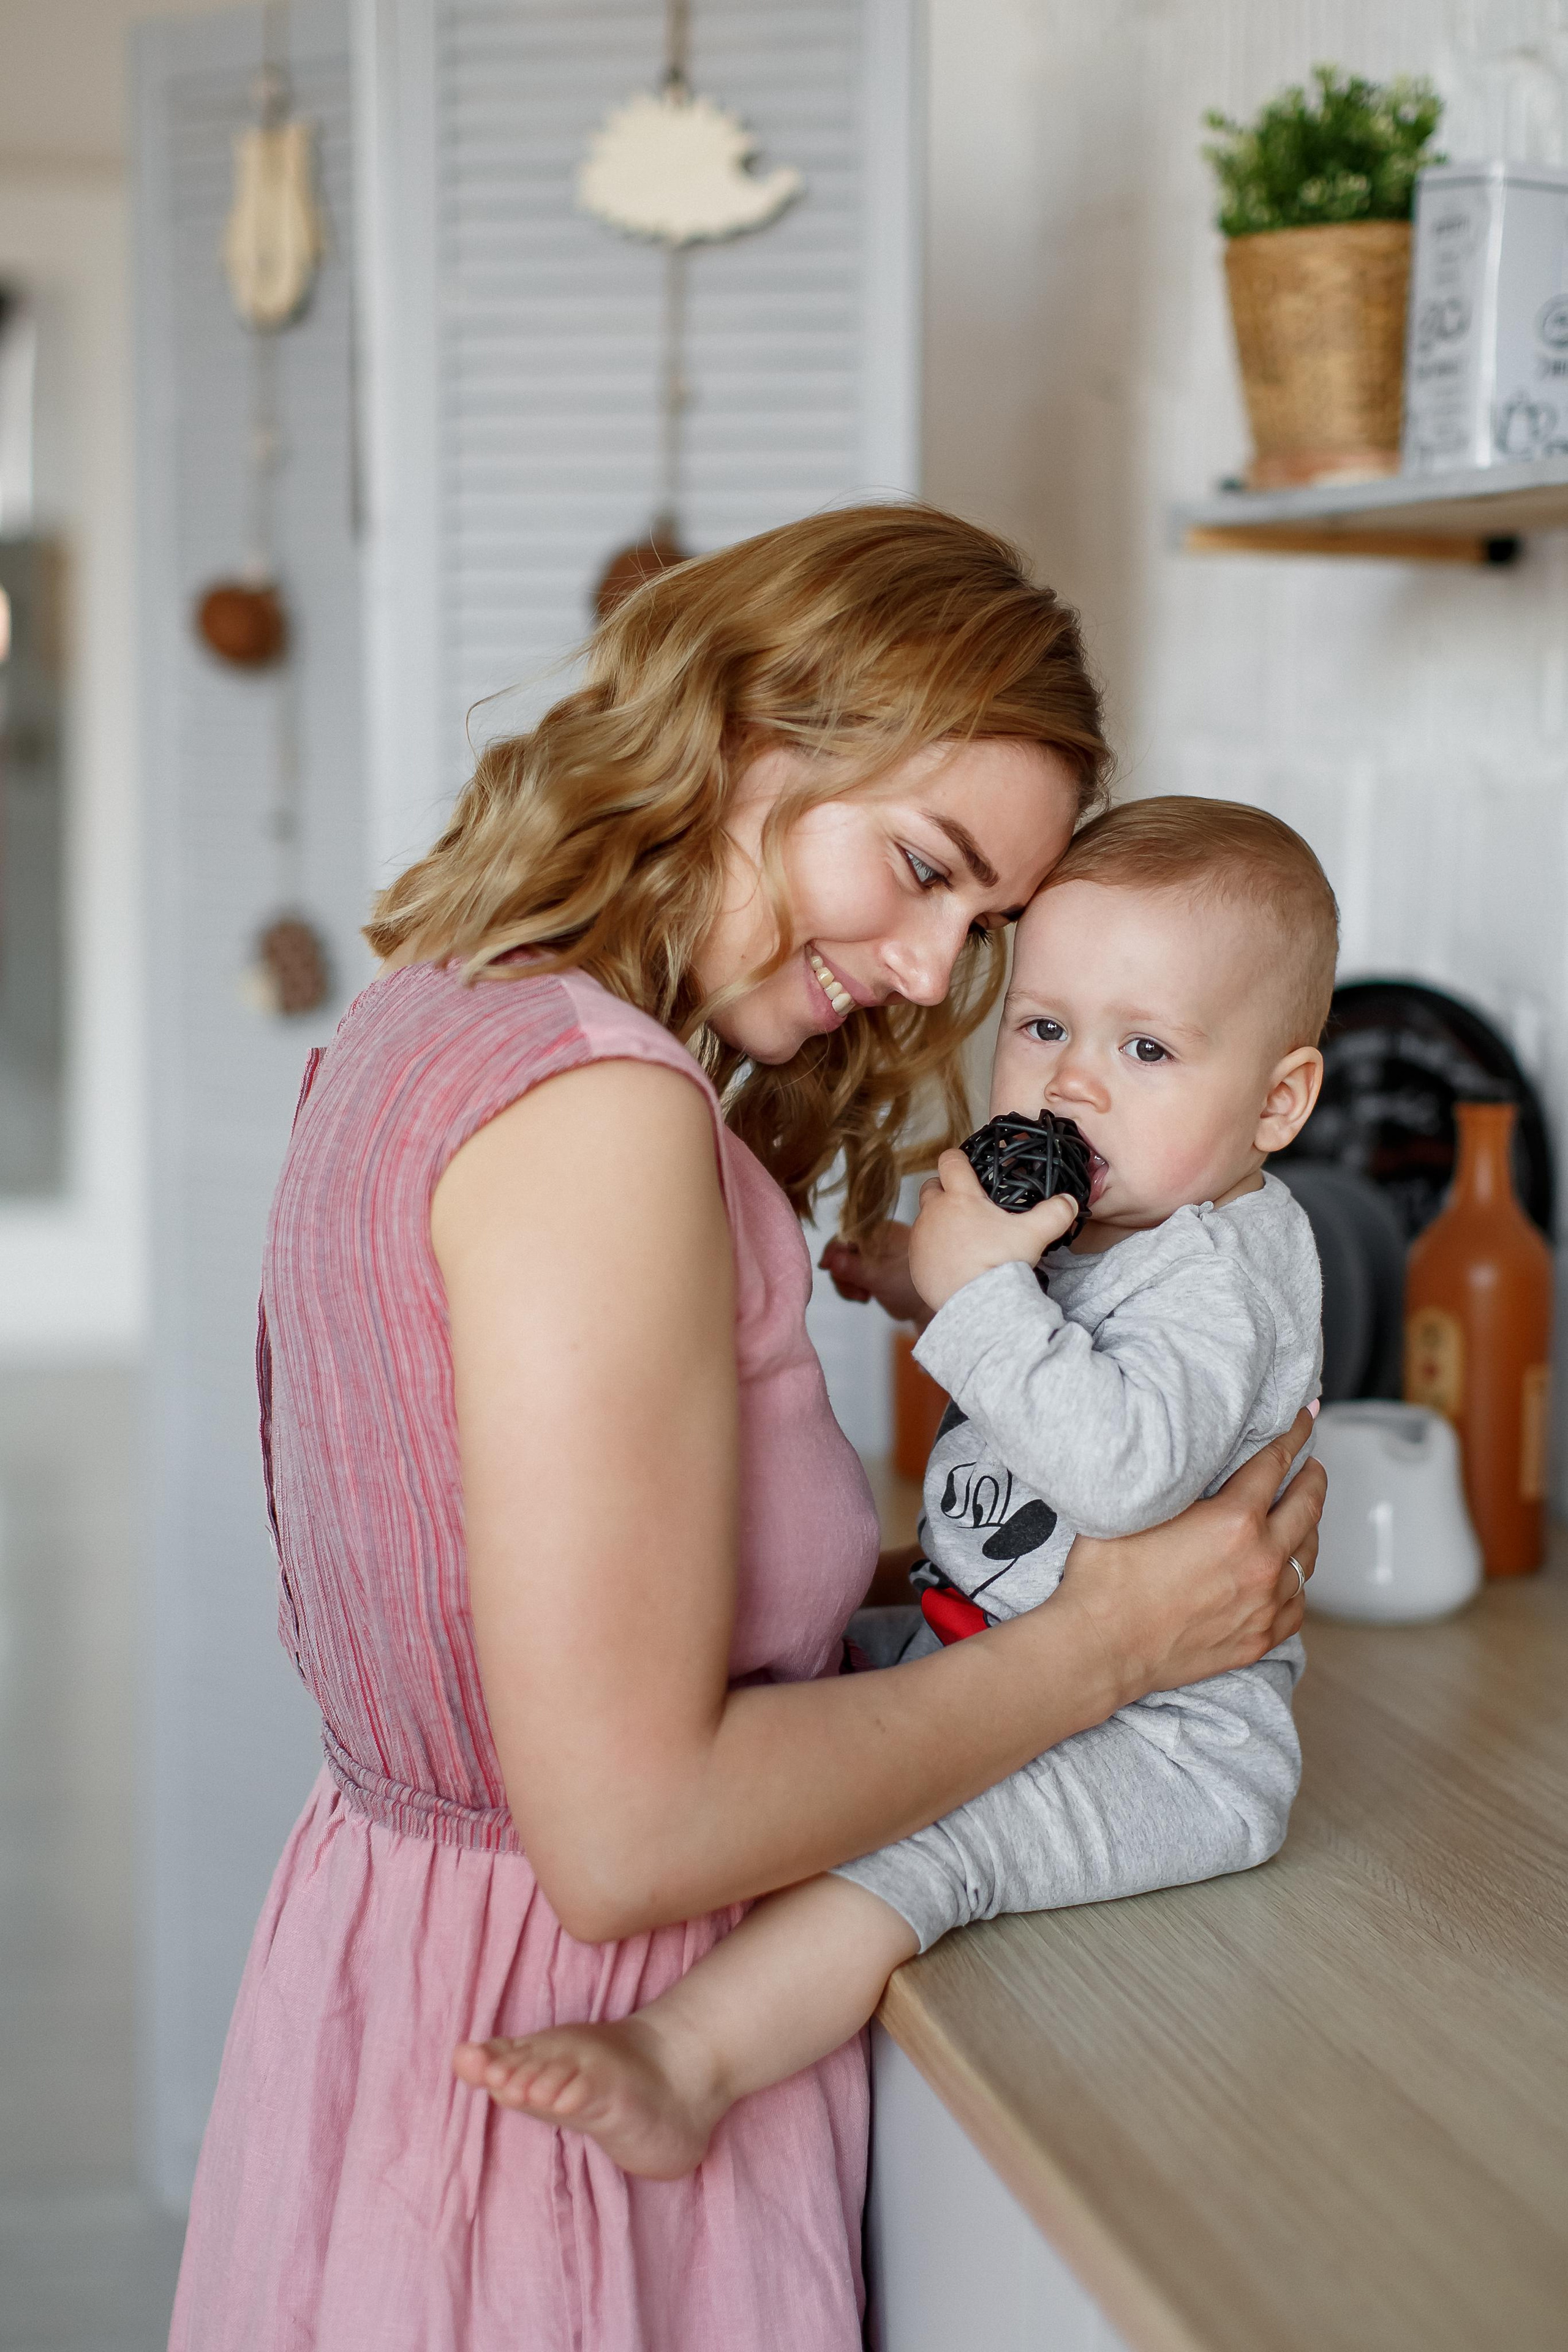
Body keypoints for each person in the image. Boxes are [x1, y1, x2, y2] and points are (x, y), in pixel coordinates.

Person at [167, 509, 1322, 2352]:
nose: (941, 978)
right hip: (581, 2058)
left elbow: (550, 1595)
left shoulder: (443, 1012)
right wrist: (1114, 1645)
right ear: (753, 736)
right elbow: (630, 1833)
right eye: (925, 869)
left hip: (403, 1984)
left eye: (985, 925)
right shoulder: (602, 1120)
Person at [455, 794, 1332, 2179]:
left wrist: (970, 1288)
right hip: (993, 1644)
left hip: (1164, 1744)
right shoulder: (1114, 1215)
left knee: (920, 1858)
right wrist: (910, 1274)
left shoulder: (1220, 1273)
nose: (1069, 1085)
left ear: (1276, 1101)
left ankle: (687, 2062)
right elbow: (1029, 1334)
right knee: (787, 1706)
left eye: (1145, 1048)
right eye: (1041, 1027)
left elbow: (1118, 1468)